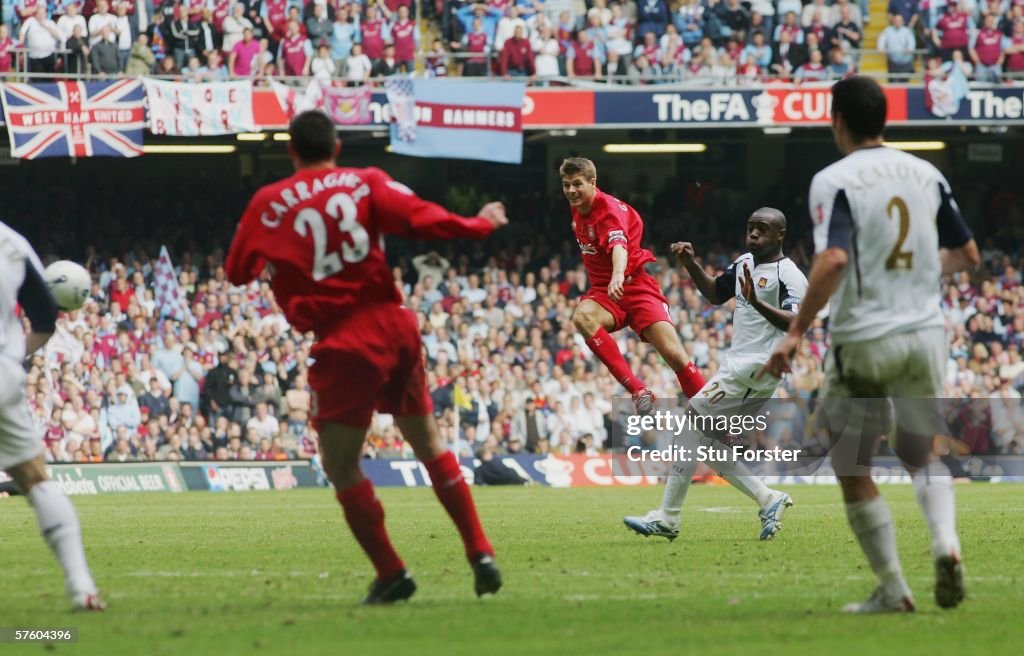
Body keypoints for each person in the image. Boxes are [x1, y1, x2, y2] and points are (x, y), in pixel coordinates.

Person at [225, 111, 506, 604]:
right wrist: (478, 224)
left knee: (341, 464)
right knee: (430, 444)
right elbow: (423, 219)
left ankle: (392, 572)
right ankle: (480, 551)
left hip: (344, 339)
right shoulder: (365, 181)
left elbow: (236, 272)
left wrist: (278, 261)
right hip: (395, 324)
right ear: (336, 146)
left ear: (291, 150)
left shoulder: (268, 203)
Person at [763, 76, 980, 613]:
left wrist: (795, 333)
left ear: (836, 120)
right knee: (919, 451)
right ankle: (945, 544)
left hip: (863, 336)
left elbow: (834, 258)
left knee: (851, 460)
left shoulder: (834, 179)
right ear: (885, 118)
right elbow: (968, 254)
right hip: (925, 334)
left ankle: (892, 588)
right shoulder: (925, 173)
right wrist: (918, 275)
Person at [624, 208, 807, 541]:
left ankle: (668, 517)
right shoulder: (743, 264)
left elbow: (797, 323)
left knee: (692, 423)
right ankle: (768, 498)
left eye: (762, 230)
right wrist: (691, 264)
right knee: (704, 444)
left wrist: (757, 302)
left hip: (758, 368)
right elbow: (714, 293)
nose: (753, 235)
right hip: (739, 364)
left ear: (780, 234)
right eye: (750, 228)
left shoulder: (789, 275)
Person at [0, 222, 105, 611]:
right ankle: (82, 588)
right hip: (2, 373)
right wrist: (12, 358)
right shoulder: (11, 242)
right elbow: (44, 322)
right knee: (35, 478)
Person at [560, 157, 706, 417]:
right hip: (605, 292)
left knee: (675, 355)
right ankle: (639, 391)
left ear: (593, 183)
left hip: (634, 285)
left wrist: (618, 273)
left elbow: (619, 246)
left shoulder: (608, 210)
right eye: (566, 184)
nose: (571, 190)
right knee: (582, 316)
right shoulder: (578, 206)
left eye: (577, 184)